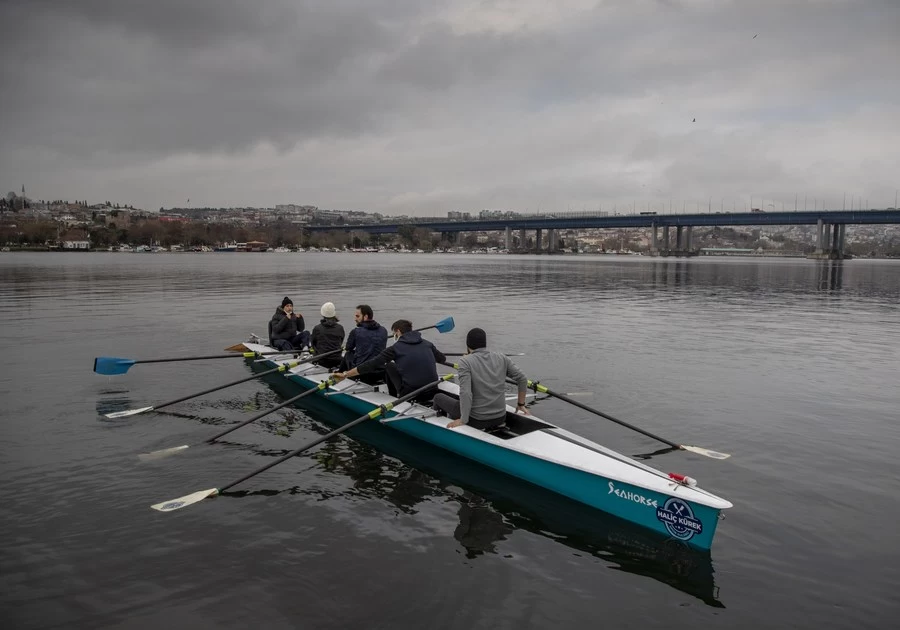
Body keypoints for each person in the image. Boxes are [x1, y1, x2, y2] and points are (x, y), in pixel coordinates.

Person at [433, 327, 529, 431]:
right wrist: (521, 404)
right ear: (484, 343)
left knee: (438, 397)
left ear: (467, 345)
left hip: (476, 420)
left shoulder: (465, 362)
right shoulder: (502, 358)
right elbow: (522, 379)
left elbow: (466, 393)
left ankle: (440, 428)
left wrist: (463, 420)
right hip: (500, 417)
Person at [334, 319, 445, 400]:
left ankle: (394, 396)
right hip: (433, 389)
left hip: (411, 394)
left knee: (389, 365)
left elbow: (371, 364)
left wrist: (345, 374)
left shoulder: (395, 349)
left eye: (394, 333)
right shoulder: (428, 344)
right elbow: (442, 359)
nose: (394, 336)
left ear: (398, 332)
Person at [339, 304, 388, 383]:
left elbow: (348, 348)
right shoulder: (384, 330)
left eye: (357, 316)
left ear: (365, 317)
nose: (355, 319)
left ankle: (340, 374)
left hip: (361, 373)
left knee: (348, 354)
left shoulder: (356, 331)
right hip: (380, 372)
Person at [310, 302, 345, 369]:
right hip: (337, 360)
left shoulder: (317, 328)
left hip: (321, 360)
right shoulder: (340, 328)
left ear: (323, 314)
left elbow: (313, 344)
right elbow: (340, 341)